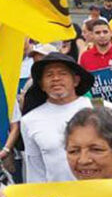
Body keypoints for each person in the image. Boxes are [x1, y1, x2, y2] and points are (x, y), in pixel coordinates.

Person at [21, 52, 101, 183]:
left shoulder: (100, 108)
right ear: (41, 84)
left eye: (62, 73)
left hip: (103, 194)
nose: (56, 78)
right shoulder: (29, 120)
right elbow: (35, 170)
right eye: (49, 75)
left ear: (76, 80)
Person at [78, 19, 112, 87]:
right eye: (97, 33)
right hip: (95, 97)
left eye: (105, 32)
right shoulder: (85, 56)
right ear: (92, 35)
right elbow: (81, 81)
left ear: (111, 33)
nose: (102, 35)